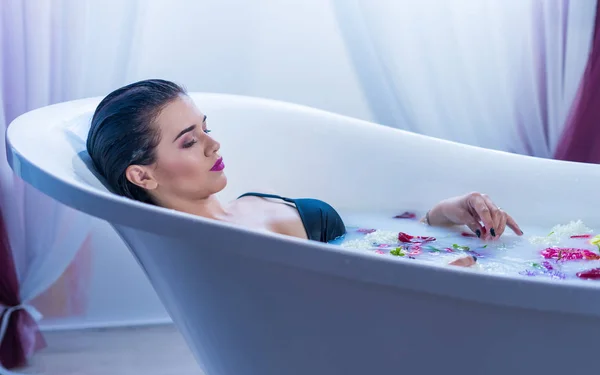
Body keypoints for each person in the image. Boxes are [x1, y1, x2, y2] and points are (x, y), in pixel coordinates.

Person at [86, 79, 523, 248]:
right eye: (188, 141)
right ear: (141, 174)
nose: (214, 145)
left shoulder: (245, 205)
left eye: (206, 127)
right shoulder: (222, 250)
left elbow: (367, 247)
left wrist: (440, 217)